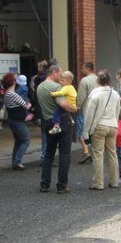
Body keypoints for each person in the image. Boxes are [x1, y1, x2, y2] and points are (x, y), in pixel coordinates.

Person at [37, 64, 77, 194]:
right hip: (62, 122)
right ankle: (61, 185)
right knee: (64, 154)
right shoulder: (57, 87)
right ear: (54, 73)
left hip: (47, 121)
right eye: (59, 75)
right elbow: (63, 104)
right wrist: (75, 109)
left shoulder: (40, 87)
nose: (61, 78)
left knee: (49, 153)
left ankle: (44, 183)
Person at [82, 70, 121, 190]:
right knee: (112, 154)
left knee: (98, 155)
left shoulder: (95, 94)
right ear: (109, 80)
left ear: (98, 80)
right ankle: (114, 181)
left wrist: (85, 132)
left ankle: (98, 183)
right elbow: (117, 111)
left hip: (99, 126)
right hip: (113, 125)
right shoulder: (115, 94)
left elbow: (89, 115)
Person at [1, 72, 33, 171]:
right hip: (18, 121)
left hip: (11, 120)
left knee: (18, 141)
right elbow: (26, 105)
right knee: (25, 140)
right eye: (15, 79)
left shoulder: (6, 94)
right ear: (12, 82)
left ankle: (15, 161)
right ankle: (17, 161)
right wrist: (29, 104)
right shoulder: (13, 95)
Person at [76, 62, 99, 164]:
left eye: (83, 68)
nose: (81, 70)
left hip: (85, 109)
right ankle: (95, 152)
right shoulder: (99, 79)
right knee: (94, 132)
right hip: (97, 110)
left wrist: (78, 106)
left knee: (81, 131)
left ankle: (86, 152)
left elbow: (81, 96)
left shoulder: (84, 81)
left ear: (87, 68)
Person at [49, 70, 76, 135]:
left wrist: (53, 94)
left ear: (68, 81)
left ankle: (56, 126)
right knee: (66, 112)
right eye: (60, 80)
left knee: (57, 112)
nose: (60, 82)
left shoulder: (66, 87)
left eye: (62, 80)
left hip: (68, 103)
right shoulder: (71, 87)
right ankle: (71, 119)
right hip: (72, 104)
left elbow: (61, 93)